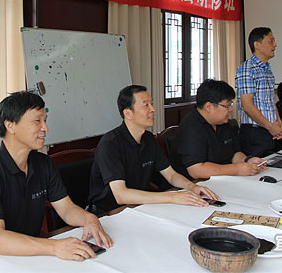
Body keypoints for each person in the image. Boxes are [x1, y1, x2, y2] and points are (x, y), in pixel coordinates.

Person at [0, 91, 112, 261]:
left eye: (45, 121)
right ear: (10, 126)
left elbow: (66, 209)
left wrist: (89, 218)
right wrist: (55, 246)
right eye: (37, 121)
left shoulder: (44, 164)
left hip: (29, 250)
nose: (45, 128)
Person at [87, 85, 219, 214]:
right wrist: (172, 197)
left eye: (152, 104)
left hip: (139, 206)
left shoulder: (148, 139)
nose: (153, 109)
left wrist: (192, 187)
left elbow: (171, 175)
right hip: (109, 213)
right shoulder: (110, 144)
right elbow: (121, 195)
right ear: (128, 113)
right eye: (146, 105)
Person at [167, 79, 267, 180]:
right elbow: (196, 170)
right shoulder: (191, 127)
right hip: (194, 184)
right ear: (209, 106)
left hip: (222, 180)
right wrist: (237, 169)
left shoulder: (222, 122)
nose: (230, 109)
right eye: (227, 106)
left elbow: (234, 154)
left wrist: (247, 161)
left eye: (230, 104)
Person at [235, 27, 282, 157]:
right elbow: (247, 105)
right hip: (254, 132)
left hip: (268, 129)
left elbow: (269, 101)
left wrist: (278, 123)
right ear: (257, 45)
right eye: (271, 41)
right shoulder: (248, 68)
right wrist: (270, 126)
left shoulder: (266, 70)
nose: (275, 45)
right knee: (257, 167)